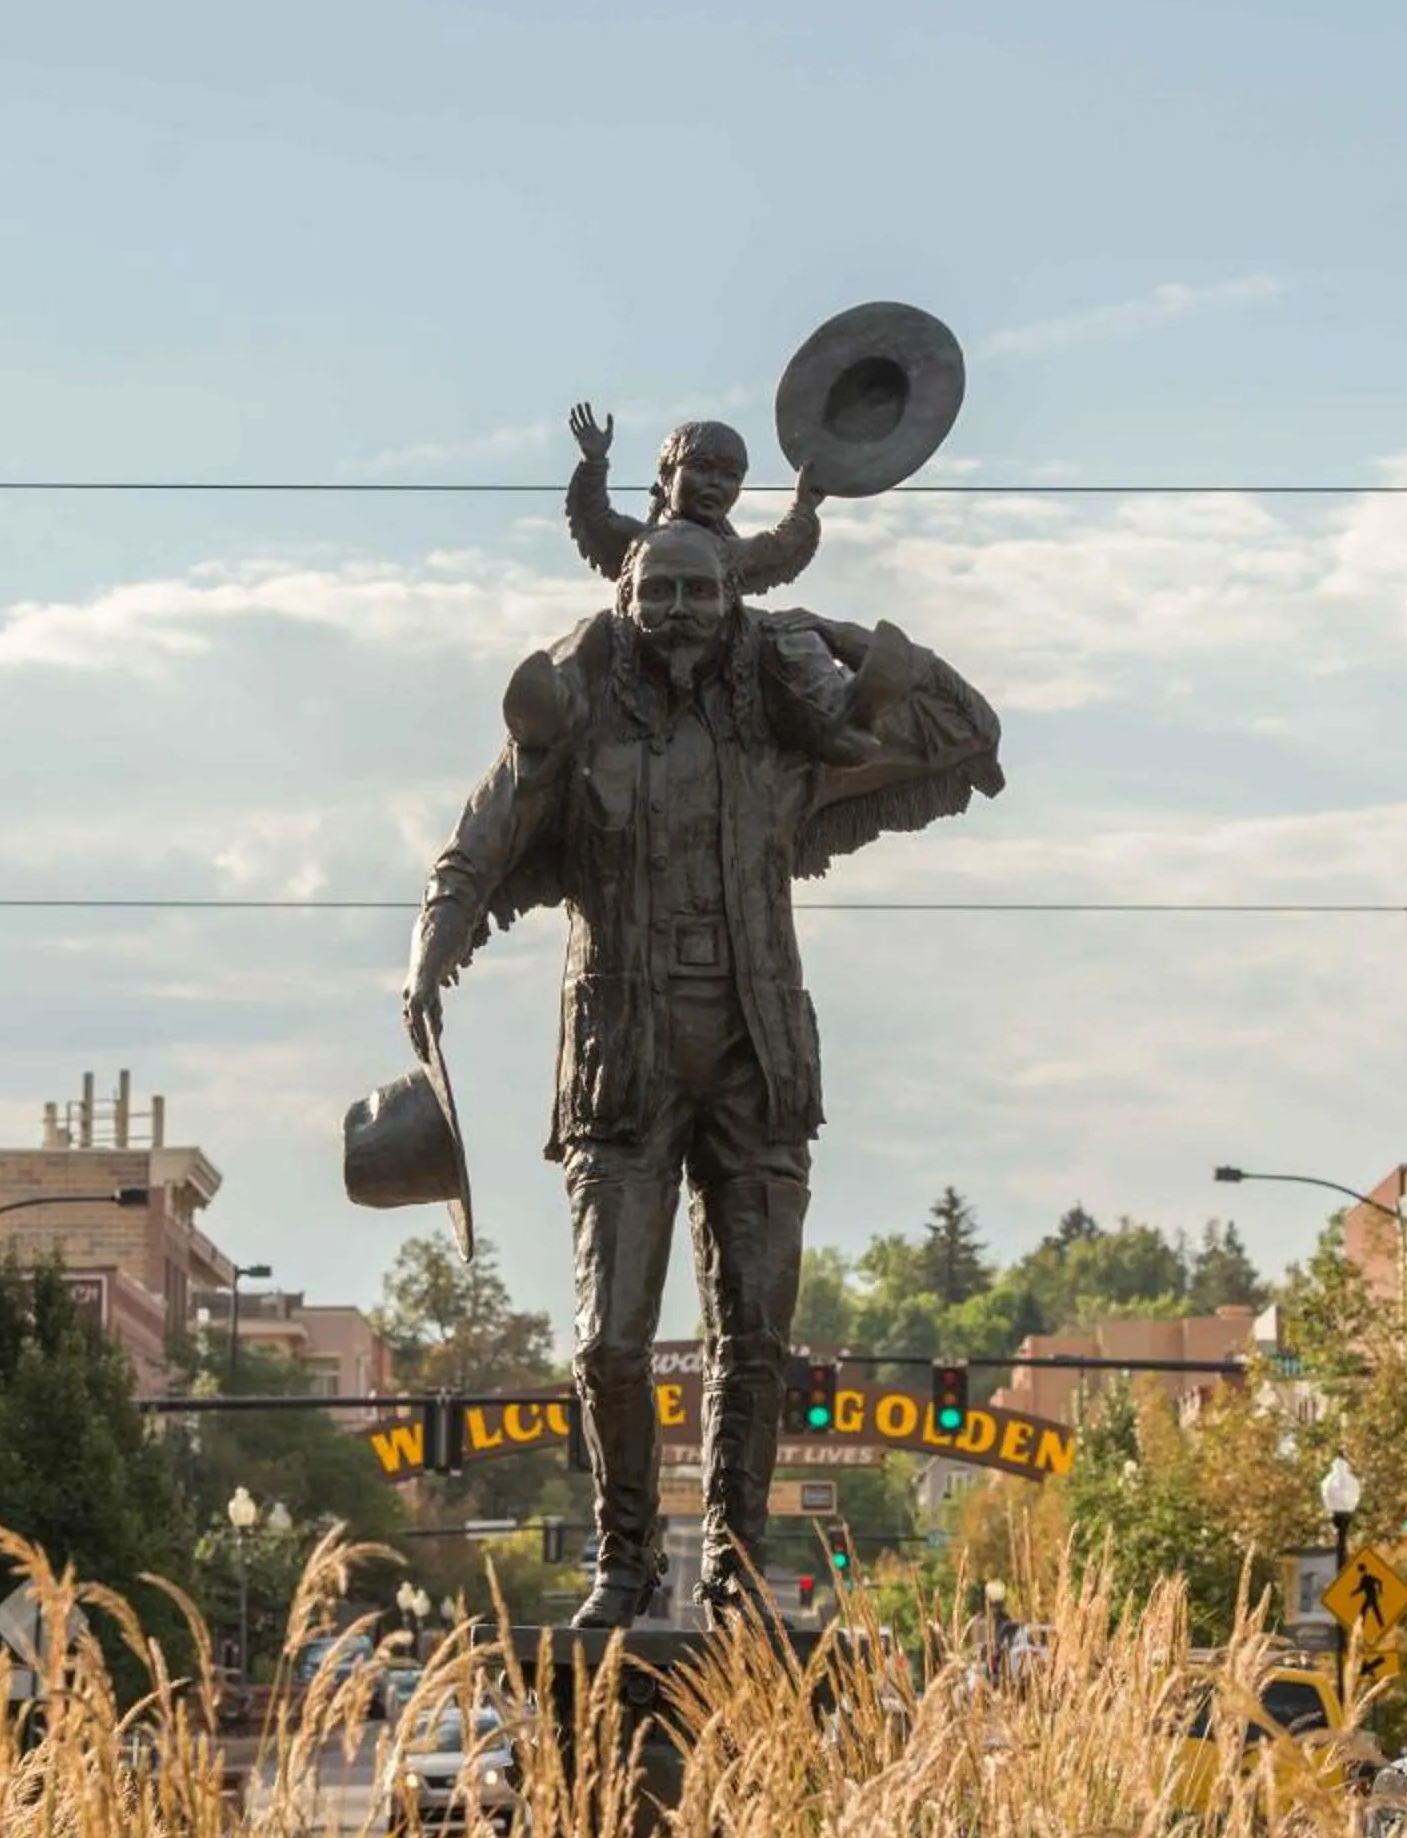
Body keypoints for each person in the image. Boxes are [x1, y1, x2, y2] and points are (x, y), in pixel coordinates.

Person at [403, 504, 1001, 1629]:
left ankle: (735, 1565)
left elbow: (967, 727)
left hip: (756, 1061)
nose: (681, 611)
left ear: (732, 607)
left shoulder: (788, 740)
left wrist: (820, 628)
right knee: (609, 1340)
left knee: (754, 1340)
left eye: (703, 593)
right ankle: (623, 1559)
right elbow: (478, 839)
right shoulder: (577, 733)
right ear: (624, 607)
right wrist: (429, 957)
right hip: (621, 1066)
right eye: (660, 591)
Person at [564, 405, 827, 596]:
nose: (715, 482)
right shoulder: (640, 544)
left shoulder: (729, 554)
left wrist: (804, 505)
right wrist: (594, 463)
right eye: (700, 468)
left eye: (730, 475)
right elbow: (597, 519)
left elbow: (778, 548)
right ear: (667, 477)